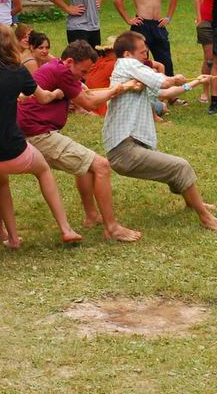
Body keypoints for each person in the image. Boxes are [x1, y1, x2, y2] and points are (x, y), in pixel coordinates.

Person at [0, 24, 81, 247]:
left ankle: (12, 238)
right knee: (43, 170)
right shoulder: (17, 70)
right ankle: (65, 228)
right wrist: (57, 92)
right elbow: (43, 97)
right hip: (12, 151)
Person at [18, 39, 144, 242]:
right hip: (38, 134)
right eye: (83, 72)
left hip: (37, 132)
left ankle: (92, 216)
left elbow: (86, 92)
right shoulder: (63, 72)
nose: (84, 77)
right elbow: (89, 103)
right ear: (69, 62)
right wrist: (118, 89)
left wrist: (122, 88)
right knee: (101, 165)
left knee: (85, 166)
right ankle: (112, 228)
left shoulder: (59, 68)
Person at [102, 31, 217, 231]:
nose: (146, 55)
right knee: (181, 167)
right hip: (124, 151)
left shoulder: (136, 76)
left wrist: (194, 82)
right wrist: (174, 78)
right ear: (127, 54)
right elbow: (165, 83)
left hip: (129, 148)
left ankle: (192, 202)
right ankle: (206, 218)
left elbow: (165, 93)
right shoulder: (126, 64)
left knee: (173, 169)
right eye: (143, 52)